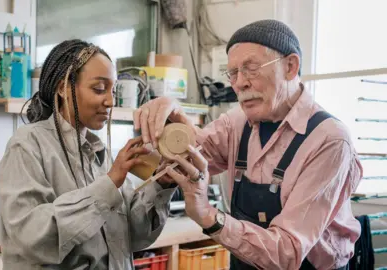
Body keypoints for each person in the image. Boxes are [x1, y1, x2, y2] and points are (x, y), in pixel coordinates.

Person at [134, 19, 362, 270]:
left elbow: (287, 253)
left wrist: (208, 215)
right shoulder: (236, 123)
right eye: (233, 73)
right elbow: (188, 156)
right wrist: (173, 119)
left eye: (251, 68)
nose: (239, 83)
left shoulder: (330, 140)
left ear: (290, 66)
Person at [0, 39, 177, 270]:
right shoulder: (27, 145)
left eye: (113, 90)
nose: (110, 101)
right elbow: (32, 236)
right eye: (99, 89)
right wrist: (109, 183)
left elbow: (134, 236)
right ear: (63, 88)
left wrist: (161, 184)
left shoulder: (99, 153)